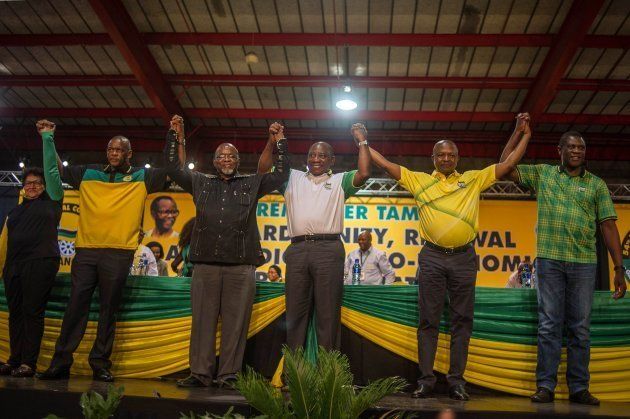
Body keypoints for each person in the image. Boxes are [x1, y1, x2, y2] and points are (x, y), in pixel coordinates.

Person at [368, 113, 532, 400]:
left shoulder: (472, 180)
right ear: (433, 158)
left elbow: (507, 164)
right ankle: (426, 380)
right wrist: (362, 142)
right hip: (431, 257)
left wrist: (523, 133)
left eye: (451, 155)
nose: (446, 159)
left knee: (462, 321)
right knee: (428, 321)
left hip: (464, 258)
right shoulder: (419, 180)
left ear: (457, 158)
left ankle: (456, 382)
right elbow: (385, 164)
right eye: (441, 155)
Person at [37, 116, 184, 382]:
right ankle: (60, 363)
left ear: (129, 153)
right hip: (86, 251)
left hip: (119, 252)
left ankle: (100, 363)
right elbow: (56, 170)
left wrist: (173, 136)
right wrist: (48, 138)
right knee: (75, 308)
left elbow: (172, 167)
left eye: (119, 150)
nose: (114, 153)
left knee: (108, 310)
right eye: (110, 149)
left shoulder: (143, 176)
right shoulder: (89, 172)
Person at [504, 131, 626, 405]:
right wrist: (518, 134)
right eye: (570, 147)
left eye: (580, 147)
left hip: (584, 263)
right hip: (550, 260)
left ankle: (579, 388)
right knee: (549, 325)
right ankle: (545, 386)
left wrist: (619, 268)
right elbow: (506, 167)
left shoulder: (596, 184)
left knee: (580, 327)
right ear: (558, 150)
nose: (576, 151)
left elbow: (608, 224)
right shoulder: (544, 174)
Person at [168, 122, 290, 388]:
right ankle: (200, 373)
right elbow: (173, 169)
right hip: (205, 267)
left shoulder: (252, 183)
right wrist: (176, 137)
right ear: (213, 161)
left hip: (241, 267)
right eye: (221, 156)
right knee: (202, 322)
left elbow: (281, 175)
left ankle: (229, 374)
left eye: (231, 156)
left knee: (236, 326)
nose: (226, 159)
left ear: (238, 160)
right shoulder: (200, 181)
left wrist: (279, 141)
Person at [258, 122, 371, 350]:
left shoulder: (340, 181)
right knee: (295, 316)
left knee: (327, 316)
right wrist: (271, 143)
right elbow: (262, 171)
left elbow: (365, 172)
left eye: (322, 156)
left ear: (332, 160)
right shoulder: (291, 177)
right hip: (298, 250)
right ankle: (294, 376)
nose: (316, 159)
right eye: (312, 155)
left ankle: (327, 376)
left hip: (328, 250)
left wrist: (362, 141)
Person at [0, 121, 63, 378]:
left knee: (31, 312)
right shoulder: (16, 209)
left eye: (37, 183)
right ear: (23, 186)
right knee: (14, 313)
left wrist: (47, 138)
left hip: (41, 262)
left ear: (45, 185)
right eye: (28, 183)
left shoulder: (53, 201)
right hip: (14, 266)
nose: (33, 186)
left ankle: (29, 363)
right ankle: (14, 360)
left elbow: (51, 170)